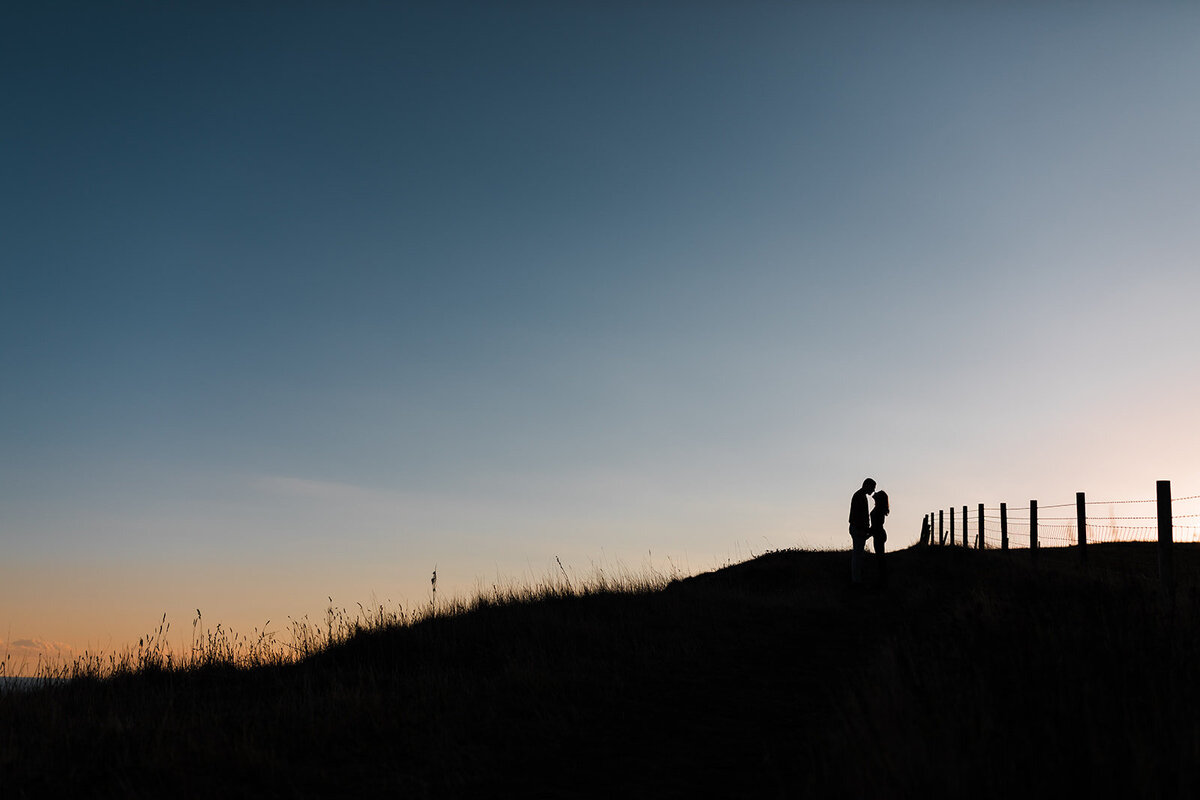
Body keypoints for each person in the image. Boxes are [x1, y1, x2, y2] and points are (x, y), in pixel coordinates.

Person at [848, 478, 876, 584]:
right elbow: (858, 516)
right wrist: (862, 530)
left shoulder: (860, 496)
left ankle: (857, 579)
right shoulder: (859, 496)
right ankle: (856, 581)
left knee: (858, 555)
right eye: (872, 488)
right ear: (867, 485)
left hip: (858, 528)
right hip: (858, 529)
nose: (873, 491)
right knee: (857, 556)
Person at [870, 490, 889, 587]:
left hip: (878, 534)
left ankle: (883, 580)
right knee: (880, 557)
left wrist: (868, 533)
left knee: (880, 557)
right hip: (879, 533)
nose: (875, 492)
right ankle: (882, 579)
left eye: (877, 493)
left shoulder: (879, 509)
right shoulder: (878, 508)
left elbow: (876, 525)